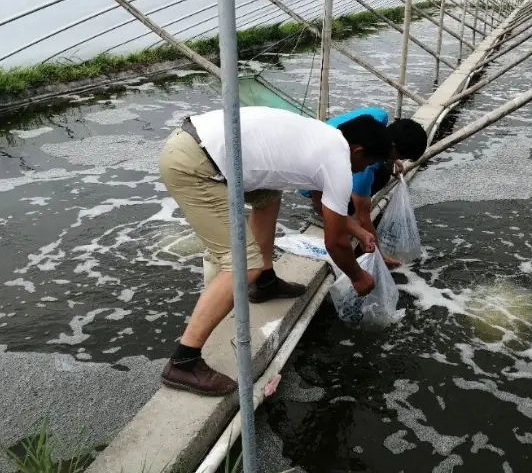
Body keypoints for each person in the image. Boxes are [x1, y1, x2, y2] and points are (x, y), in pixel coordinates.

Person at [158, 106, 392, 396]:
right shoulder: (338, 162)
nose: (363, 170)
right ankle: (183, 360)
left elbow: (323, 206)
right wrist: (358, 277)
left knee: (268, 196)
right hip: (196, 165)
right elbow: (335, 243)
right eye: (368, 163)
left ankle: (265, 283)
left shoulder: (329, 139)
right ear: (357, 150)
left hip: (206, 145)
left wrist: (358, 230)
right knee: (244, 265)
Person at [299, 107, 427, 267]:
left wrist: (393, 160)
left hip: (314, 149)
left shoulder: (378, 117)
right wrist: (379, 256)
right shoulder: (364, 170)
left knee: (383, 168)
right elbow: (362, 218)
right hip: (310, 182)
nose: (399, 159)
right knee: (380, 175)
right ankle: (340, 205)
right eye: (399, 156)